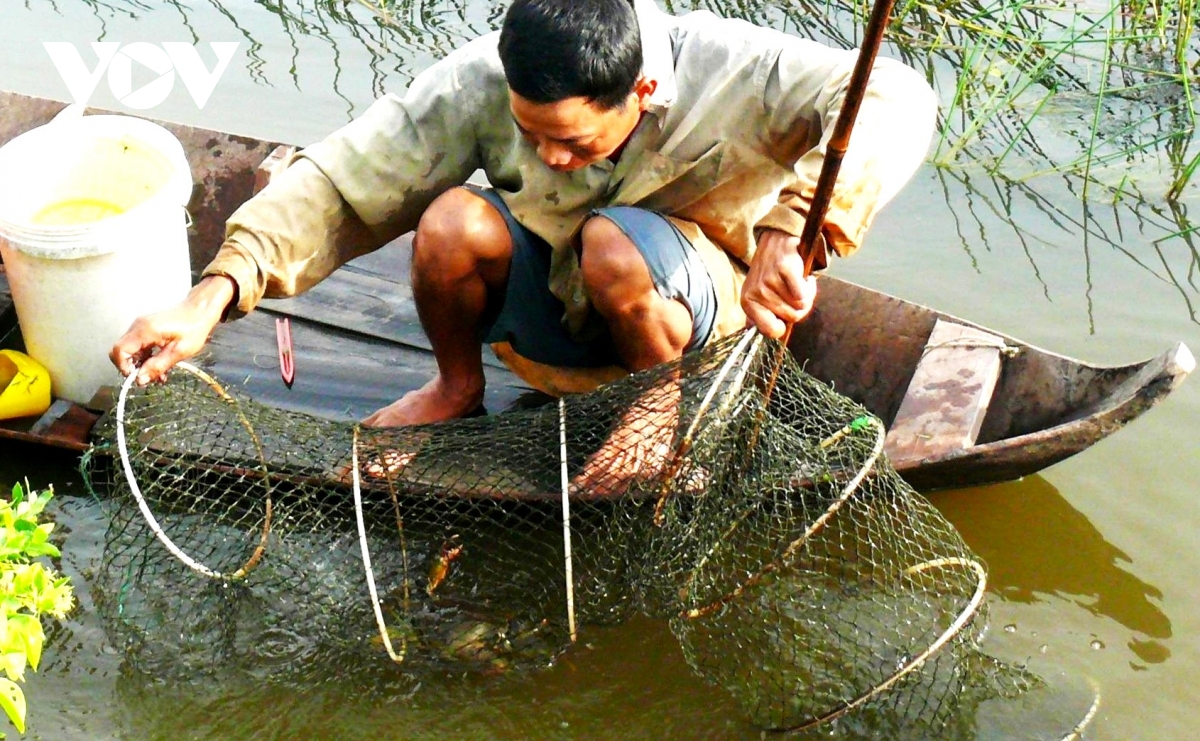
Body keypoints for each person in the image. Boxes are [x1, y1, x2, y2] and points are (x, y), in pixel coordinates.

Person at [111, 0, 935, 486]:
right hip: (555, 307)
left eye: (573, 143)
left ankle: (657, 408)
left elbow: (898, 98)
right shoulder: (485, 78)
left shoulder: (732, 65)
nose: (549, 157)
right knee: (447, 221)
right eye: (530, 134)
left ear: (643, 91)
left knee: (615, 242)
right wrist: (209, 296)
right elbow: (341, 181)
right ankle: (456, 387)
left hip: (688, 316)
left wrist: (791, 231)